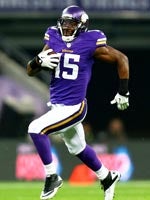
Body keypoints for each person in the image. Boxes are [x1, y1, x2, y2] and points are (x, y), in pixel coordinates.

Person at [26, 5, 129, 200]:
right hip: (57, 105)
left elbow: (122, 59)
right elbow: (30, 71)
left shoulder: (91, 42)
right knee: (77, 148)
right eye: (64, 23)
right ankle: (107, 177)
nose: (66, 27)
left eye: (72, 24)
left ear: (81, 26)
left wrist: (123, 91)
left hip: (74, 107)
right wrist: (37, 62)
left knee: (35, 128)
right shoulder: (53, 37)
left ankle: (52, 176)